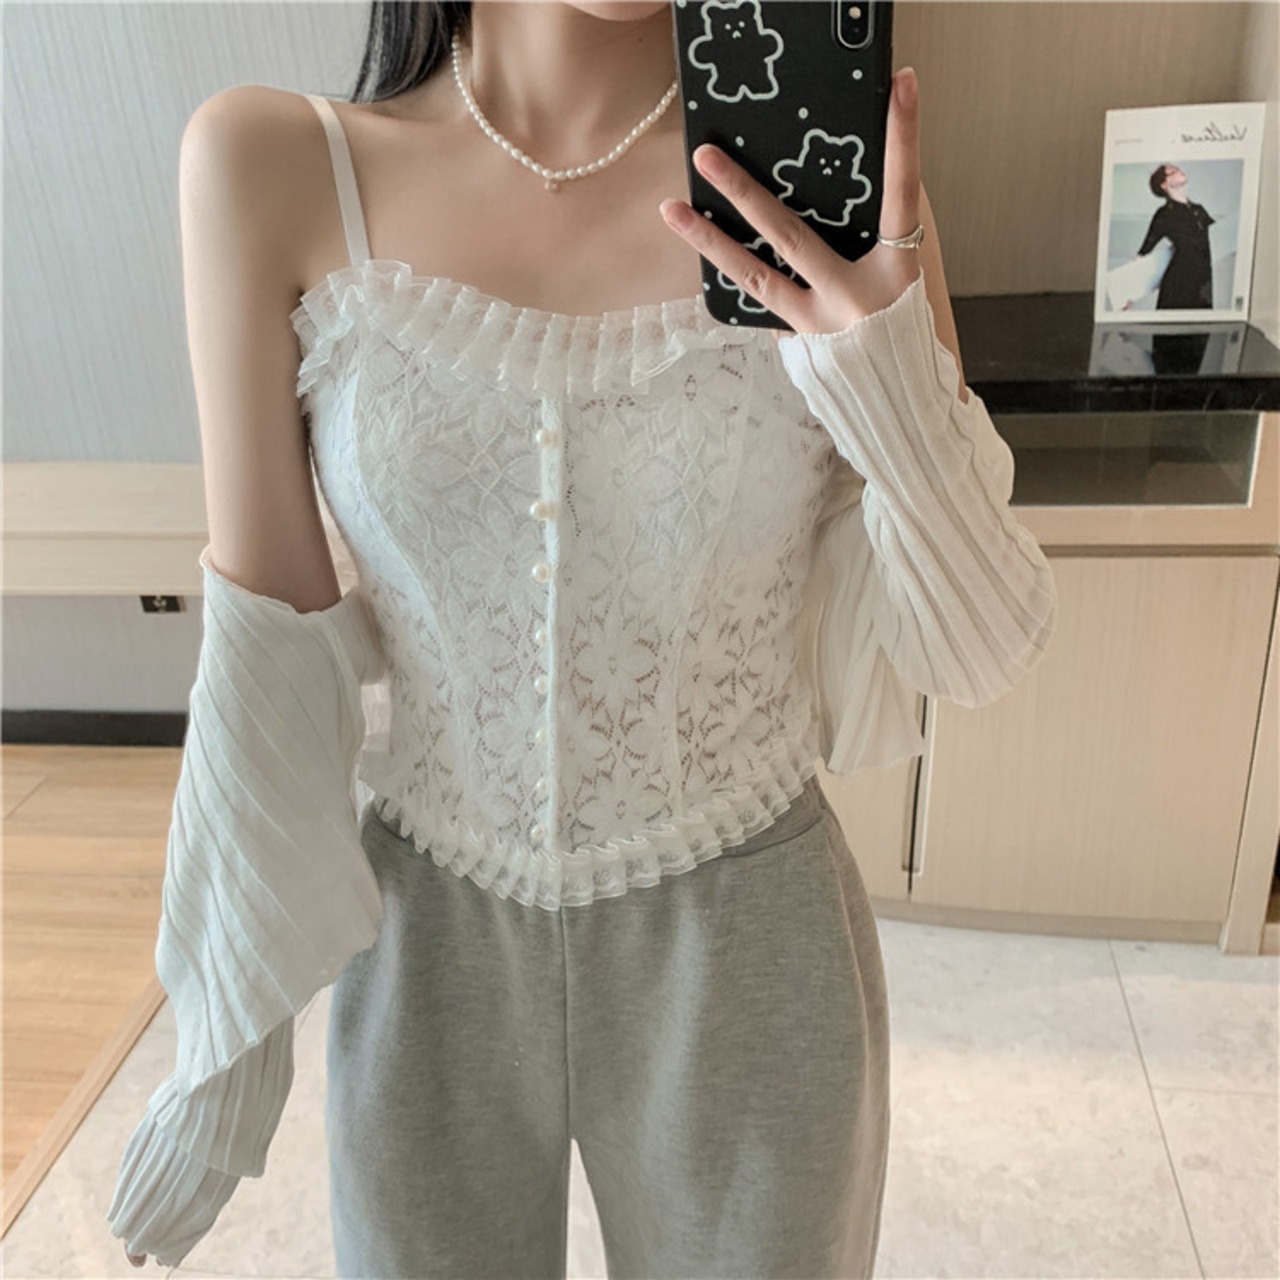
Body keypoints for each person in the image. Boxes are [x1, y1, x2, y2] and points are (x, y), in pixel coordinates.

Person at [108, 1, 1059, 1275]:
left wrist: (885, 383)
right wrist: (223, 1038)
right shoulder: (270, 166)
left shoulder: (826, 176)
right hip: (428, 940)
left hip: (747, 931)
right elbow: (269, 641)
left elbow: (978, 643)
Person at [1134, 162, 1217, 309]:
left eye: (1177, 169)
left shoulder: (1199, 210)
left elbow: (1220, 236)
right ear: (1164, 185)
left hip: (1203, 282)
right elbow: (1143, 252)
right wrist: (1129, 296)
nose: (1179, 171)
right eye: (1172, 172)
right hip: (1178, 283)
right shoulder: (1164, 215)